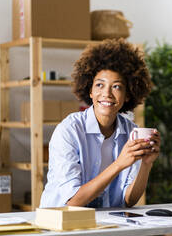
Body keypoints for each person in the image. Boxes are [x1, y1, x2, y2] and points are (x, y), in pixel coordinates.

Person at [39, 38, 160, 208]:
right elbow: (73, 201)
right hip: (62, 224)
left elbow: (129, 200)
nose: (107, 94)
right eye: (99, 85)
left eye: (116, 87)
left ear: (127, 95)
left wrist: (146, 165)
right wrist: (119, 164)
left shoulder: (132, 132)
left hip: (106, 224)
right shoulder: (69, 130)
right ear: (90, 90)